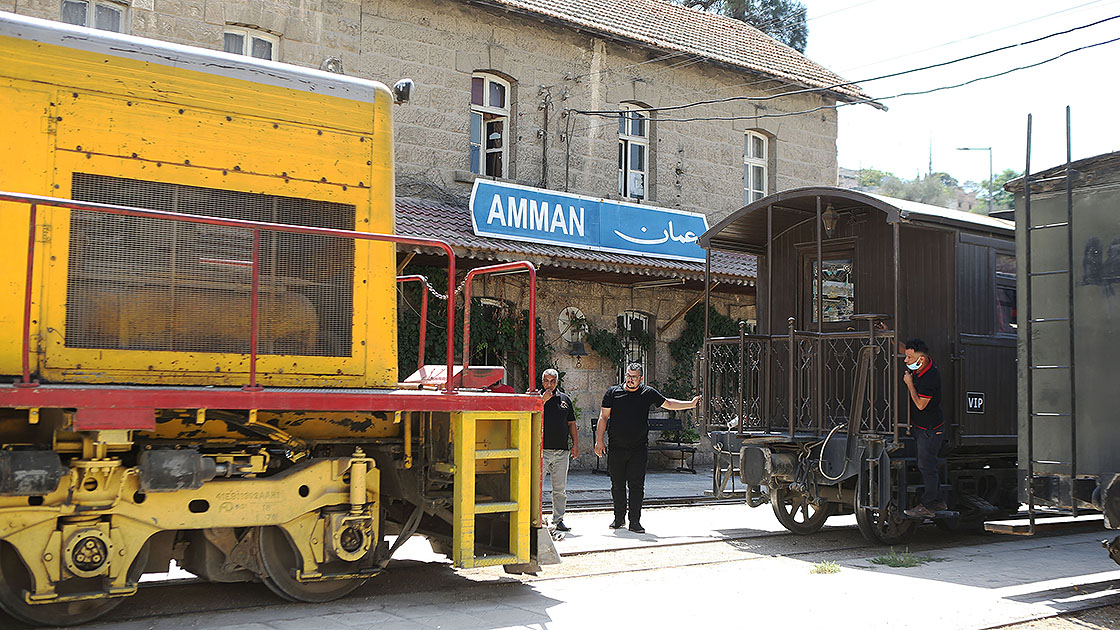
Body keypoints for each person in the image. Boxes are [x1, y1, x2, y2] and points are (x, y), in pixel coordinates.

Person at [593, 363, 700, 533]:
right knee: (617, 484)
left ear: (641, 379)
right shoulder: (613, 393)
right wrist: (599, 441)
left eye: (634, 377)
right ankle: (618, 518)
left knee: (636, 485)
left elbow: (669, 404)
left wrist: (691, 404)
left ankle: (634, 521)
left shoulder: (647, 393)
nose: (630, 379)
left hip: (638, 448)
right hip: (617, 447)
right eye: (628, 376)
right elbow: (603, 417)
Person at [900, 338, 947, 519]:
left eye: (909, 358)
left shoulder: (930, 377)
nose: (906, 360)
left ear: (920, 358)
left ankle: (929, 505)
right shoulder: (922, 362)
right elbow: (906, 348)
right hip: (923, 427)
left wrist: (909, 384)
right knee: (927, 465)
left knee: (927, 466)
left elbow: (920, 405)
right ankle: (939, 500)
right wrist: (887, 331)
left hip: (930, 429)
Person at [540, 368, 578, 532]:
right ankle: (536, 519)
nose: (549, 384)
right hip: (541, 450)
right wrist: (542, 400)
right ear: (542, 382)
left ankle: (558, 520)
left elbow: (571, 423)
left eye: (552, 381)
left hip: (562, 451)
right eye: (546, 381)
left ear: (557, 382)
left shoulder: (565, 400)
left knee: (560, 489)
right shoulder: (535, 397)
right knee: (536, 487)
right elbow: (529, 415)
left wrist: (575, 444)